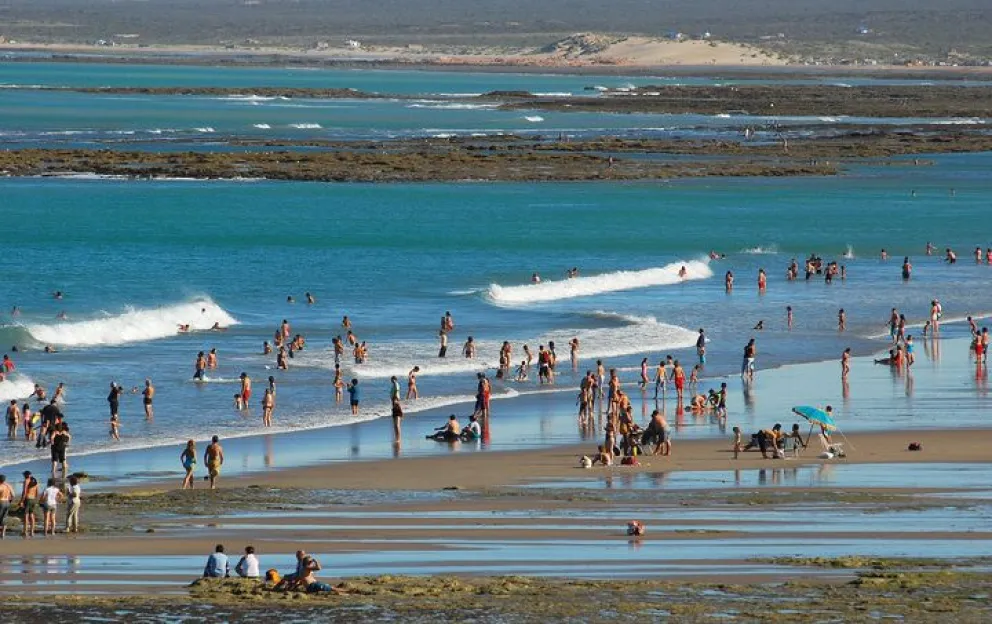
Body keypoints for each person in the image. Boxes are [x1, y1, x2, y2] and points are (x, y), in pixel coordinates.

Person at [20, 472, 38, 538]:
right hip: (33, 499)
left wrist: (21, 501)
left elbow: (24, 492)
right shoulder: (35, 481)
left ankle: (25, 532)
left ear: (25, 475)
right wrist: (35, 499)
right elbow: (37, 491)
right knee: (32, 515)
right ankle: (32, 532)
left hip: (27, 499)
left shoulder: (26, 481)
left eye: (24, 475)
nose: (23, 476)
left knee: (26, 515)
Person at [0, 474, 13, 539]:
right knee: (4, 517)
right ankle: (3, 533)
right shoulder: (8, 486)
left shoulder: (0, 486)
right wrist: (10, 501)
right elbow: (13, 494)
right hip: (7, 502)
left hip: (1, 502)